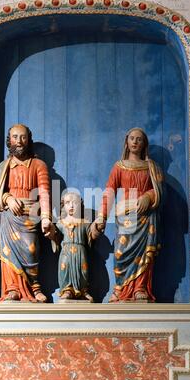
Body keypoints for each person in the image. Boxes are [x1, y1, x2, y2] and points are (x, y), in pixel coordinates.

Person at [97, 128, 163, 303]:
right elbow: (109, 192)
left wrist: (148, 197)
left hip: (146, 218)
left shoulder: (151, 167)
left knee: (144, 255)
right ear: (126, 142)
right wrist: (102, 217)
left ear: (144, 144)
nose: (135, 142)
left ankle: (140, 287)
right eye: (132, 138)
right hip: (125, 217)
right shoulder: (119, 166)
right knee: (120, 253)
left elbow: (159, 191)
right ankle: (119, 288)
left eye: (139, 139)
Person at [0, 124, 52, 303]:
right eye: (15, 137)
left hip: (30, 216)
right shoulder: (4, 167)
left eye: (23, 137)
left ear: (29, 140)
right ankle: (12, 289)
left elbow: (44, 193)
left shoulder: (39, 165)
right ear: (8, 140)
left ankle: (34, 286)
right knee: (8, 253)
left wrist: (47, 217)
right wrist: (8, 199)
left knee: (31, 249)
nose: (19, 141)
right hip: (9, 217)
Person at [46, 191, 102, 302]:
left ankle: (83, 291)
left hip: (81, 252)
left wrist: (97, 227)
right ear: (63, 206)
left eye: (74, 203)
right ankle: (67, 290)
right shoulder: (61, 223)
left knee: (83, 270)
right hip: (66, 252)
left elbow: (91, 236)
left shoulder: (85, 223)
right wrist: (52, 234)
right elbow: (56, 238)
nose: (71, 206)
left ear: (80, 205)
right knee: (65, 269)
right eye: (67, 203)